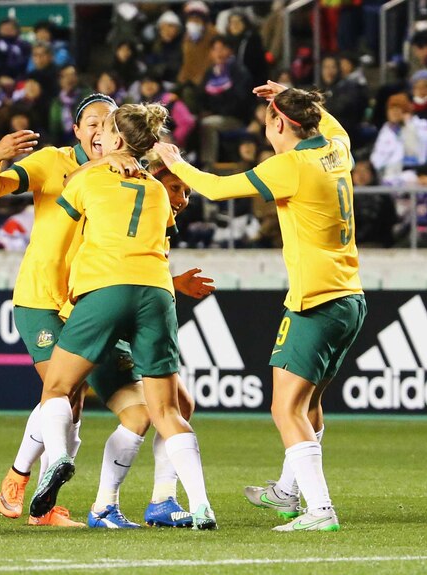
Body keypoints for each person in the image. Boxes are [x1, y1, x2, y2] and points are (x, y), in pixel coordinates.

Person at [0, 94, 205, 528]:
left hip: (96, 300)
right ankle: (27, 480)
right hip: (45, 298)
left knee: (171, 405)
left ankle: (156, 500)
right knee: (67, 392)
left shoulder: (136, 176)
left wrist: (169, 282)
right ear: (80, 132)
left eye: (109, 122)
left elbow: (138, 249)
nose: (101, 130)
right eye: (93, 123)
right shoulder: (54, 162)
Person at [154, 81, 366, 532]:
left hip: (316, 299)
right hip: (350, 295)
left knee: (284, 409)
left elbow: (215, 188)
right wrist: (291, 92)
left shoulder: (291, 166)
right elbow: (329, 124)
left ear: (280, 123)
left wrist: (176, 163)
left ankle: (320, 510)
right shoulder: (336, 149)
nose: (265, 129)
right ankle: (290, 491)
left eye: (269, 121)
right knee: (307, 405)